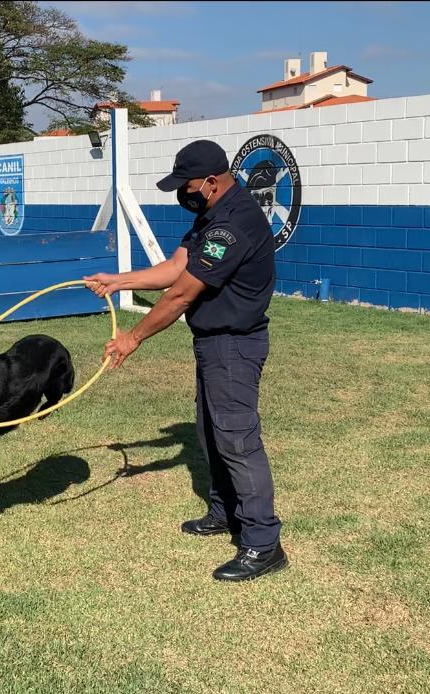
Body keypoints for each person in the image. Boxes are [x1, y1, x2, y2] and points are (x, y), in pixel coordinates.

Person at [84, 139, 287, 582]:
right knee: (210, 431)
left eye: (187, 185)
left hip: (233, 345)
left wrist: (131, 339)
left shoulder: (233, 226)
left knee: (237, 439)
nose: (183, 193)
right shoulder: (211, 215)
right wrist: (119, 281)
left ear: (211, 182)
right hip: (213, 344)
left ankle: (262, 543)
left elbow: (181, 293)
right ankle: (225, 512)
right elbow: (176, 266)